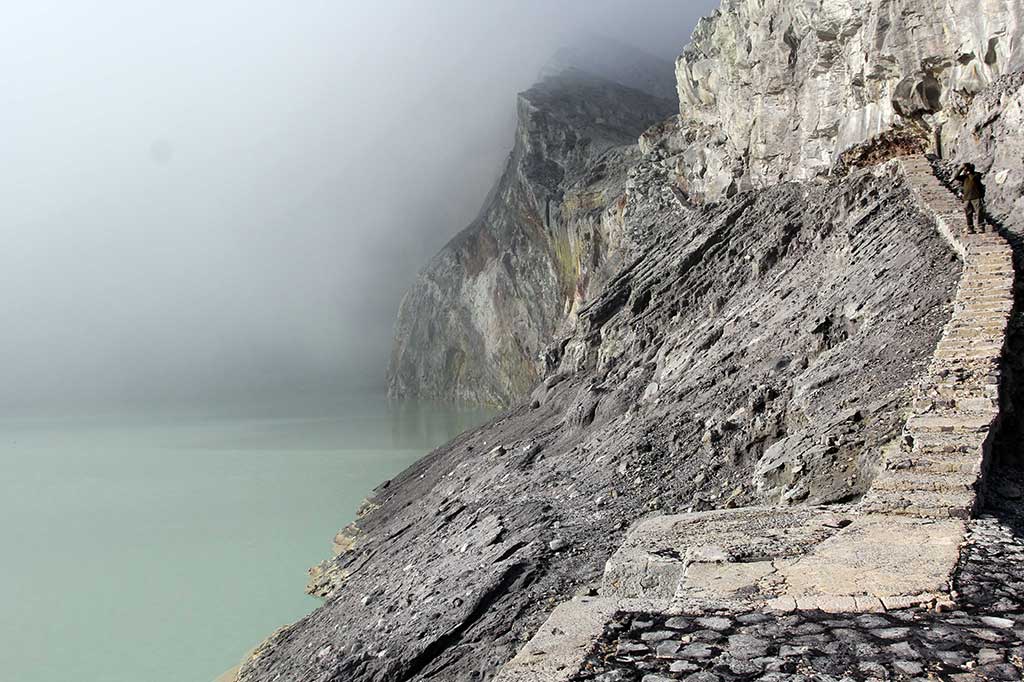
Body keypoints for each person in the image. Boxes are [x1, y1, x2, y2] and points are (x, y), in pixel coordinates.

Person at [955, 162, 987, 233]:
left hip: (976, 197)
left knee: (979, 212)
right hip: (967, 198)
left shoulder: (976, 175)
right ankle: (970, 227)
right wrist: (961, 168)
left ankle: (980, 226)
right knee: (968, 213)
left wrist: (969, 172)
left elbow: (973, 179)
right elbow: (956, 177)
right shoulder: (964, 177)